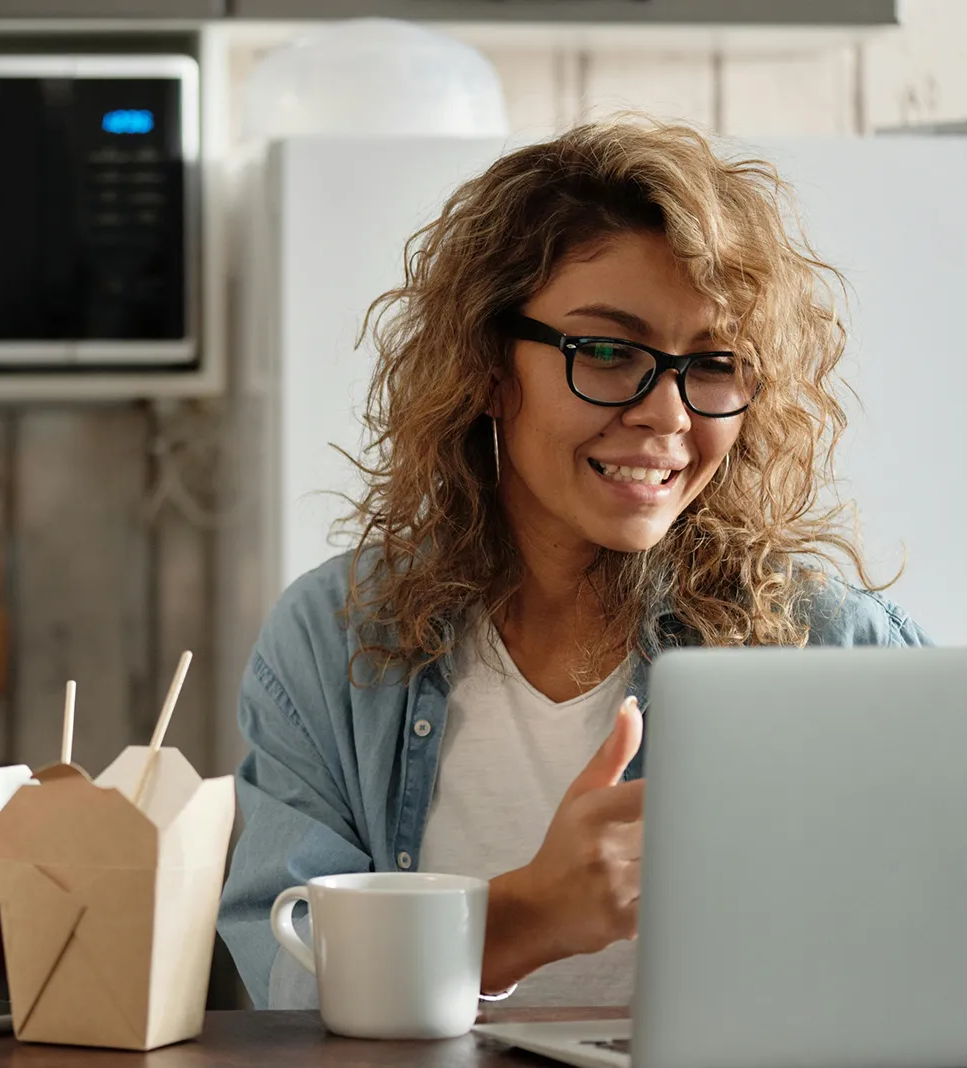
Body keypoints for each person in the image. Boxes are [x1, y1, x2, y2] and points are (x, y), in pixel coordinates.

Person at [216, 120, 930, 1011]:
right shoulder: (333, 642)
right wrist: (524, 918)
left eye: (713, 364)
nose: (668, 414)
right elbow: (289, 987)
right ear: (486, 365)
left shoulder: (829, 644)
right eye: (606, 351)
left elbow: (937, 964)